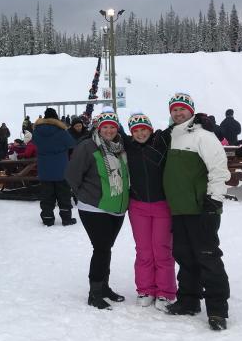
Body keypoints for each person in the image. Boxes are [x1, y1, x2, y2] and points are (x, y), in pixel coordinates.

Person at [163, 93, 231, 331]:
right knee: (184, 256)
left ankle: (217, 310)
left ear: (191, 111)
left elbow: (219, 169)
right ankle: (188, 301)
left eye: (182, 109)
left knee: (208, 258)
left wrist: (214, 200)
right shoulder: (171, 136)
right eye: (174, 110)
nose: (178, 113)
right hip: (179, 209)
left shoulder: (204, 136)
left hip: (202, 208)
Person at [66, 110, 130, 309]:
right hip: (94, 207)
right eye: (105, 127)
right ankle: (94, 293)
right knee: (101, 248)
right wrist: (85, 194)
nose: (109, 130)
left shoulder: (120, 147)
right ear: (98, 128)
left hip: (117, 208)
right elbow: (72, 174)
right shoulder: (87, 146)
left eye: (112, 127)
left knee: (105, 249)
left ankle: (104, 287)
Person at [122, 112, 176, 310]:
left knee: (161, 249)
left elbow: (177, 126)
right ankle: (145, 289)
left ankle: (166, 292)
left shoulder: (160, 141)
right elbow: (107, 132)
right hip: (138, 206)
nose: (140, 133)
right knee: (144, 250)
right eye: (136, 130)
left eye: (144, 129)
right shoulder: (128, 145)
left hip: (162, 204)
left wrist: (200, 121)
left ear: (150, 129)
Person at [32, 107, 76, 226]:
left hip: (44, 170)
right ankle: (66, 219)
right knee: (64, 196)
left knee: (47, 196)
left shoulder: (36, 132)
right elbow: (71, 144)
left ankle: (47, 218)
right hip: (61, 170)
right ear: (56, 117)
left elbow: (34, 143)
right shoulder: (62, 131)